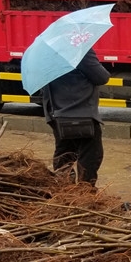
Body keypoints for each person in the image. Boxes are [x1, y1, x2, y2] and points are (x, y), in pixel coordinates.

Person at [42, 49, 110, 185]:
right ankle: (84, 192)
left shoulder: (46, 53)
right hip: (81, 113)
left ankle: (65, 190)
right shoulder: (80, 50)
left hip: (57, 113)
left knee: (64, 155)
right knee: (91, 155)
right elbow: (102, 77)